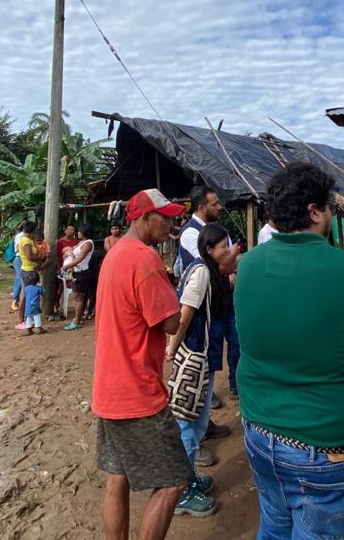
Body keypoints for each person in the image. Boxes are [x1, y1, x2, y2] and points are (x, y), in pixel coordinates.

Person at [236, 162, 344, 539]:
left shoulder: (249, 263)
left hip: (259, 432)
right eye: (329, 207)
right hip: (325, 447)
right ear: (315, 211)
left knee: (274, 525)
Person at [92, 189, 191, 540]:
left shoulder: (116, 254)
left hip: (108, 387)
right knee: (173, 482)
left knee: (117, 480)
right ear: (144, 218)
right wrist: (172, 287)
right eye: (164, 217)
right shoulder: (145, 259)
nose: (170, 223)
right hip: (138, 393)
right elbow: (170, 323)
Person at [165, 223, 232, 517]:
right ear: (209, 249)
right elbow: (185, 314)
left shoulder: (205, 270)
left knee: (196, 420)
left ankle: (187, 479)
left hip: (201, 355)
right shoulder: (202, 272)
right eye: (223, 247)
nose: (227, 251)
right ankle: (180, 491)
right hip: (196, 355)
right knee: (188, 425)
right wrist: (171, 348)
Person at [178, 187, 242, 444]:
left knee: (217, 356)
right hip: (203, 311)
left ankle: (205, 423)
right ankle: (197, 437)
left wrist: (230, 259)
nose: (219, 207)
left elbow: (224, 263)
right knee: (203, 362)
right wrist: (234, 255)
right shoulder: (190, 234)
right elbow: (219, 265)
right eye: (215, 204)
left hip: (221, 303)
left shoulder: (214, 232)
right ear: (202, 207)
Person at [60, 225, 96, 331]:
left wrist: (66, 266)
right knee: (80, 297)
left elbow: (80, 259)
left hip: (82, 273)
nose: (78, 233)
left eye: (79, 231)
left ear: (84, 232)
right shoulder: (82, 242)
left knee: (78, 297)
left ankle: (76, 321)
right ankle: (78, 318)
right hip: (77, 271)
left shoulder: (88, 243)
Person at [15, 221, 40, 330]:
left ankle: (27, 320)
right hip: (28, 271)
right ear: (33, 230)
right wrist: (41, 257)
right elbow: (29, 256)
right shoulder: (25, 241)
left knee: (26, 295)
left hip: (30, 270)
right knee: (26, 296)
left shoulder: (29, 240)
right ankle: (23, 321)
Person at [10, 221, 26, 312]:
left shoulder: (21, 235)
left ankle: (16, 299)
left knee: (19, 279)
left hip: (20, 259)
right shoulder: (21, 236)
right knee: (20, 279)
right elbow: (17, 248)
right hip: (19, 258)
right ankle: (15, 300)